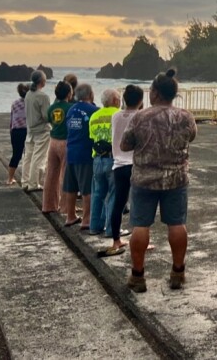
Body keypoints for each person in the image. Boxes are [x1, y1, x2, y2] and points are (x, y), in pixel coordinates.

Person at [122, 69, 197, 292]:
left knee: (140, 225)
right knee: (177, 224)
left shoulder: (140, 117)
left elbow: (125, 144)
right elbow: (191, 136)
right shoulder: (185, 117)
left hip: (144, 180)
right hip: (176, 179)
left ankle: (138, 276)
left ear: (154, 93)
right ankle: (178, 272)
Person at [99, 84, 143, 258]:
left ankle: (116, 240)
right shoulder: (140, 116)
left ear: (124, 99)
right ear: (140, 101)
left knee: (118, 203)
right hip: (136, 164)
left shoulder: (116, 116)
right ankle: (141, 240)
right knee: (140, 204)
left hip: (118, 165)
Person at [62, 84, 99, 229]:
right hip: (85, 152)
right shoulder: (94, 111)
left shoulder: (71, 109)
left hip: (71, 150)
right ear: (90, 94)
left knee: (71, 187)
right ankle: (86, 219)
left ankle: (70, 216)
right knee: (87, 188)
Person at [88, 89, 121, 237]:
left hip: (97, 159)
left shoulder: (94, 116)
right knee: (114, 195)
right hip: (113, 158)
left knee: (97, 194)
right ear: (115, 100)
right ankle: (111, 229)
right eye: (119, 98)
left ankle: (94, 226)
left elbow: (92, 136)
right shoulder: (118, 115)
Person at [42, 81, 72, 213]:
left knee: (51, 174)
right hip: (66, 142)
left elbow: (49, 120)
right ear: (69, 93)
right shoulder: (70, 108)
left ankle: (48, 205)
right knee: (65, 175)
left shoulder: (51, 108)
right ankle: (65, 206)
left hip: (53, 141)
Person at [21, 70, 51, 192]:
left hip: (30, 129)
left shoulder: (28, 94)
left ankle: (25, 181)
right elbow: (46, 116)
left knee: (28, 156)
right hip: (41, 130)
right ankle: (33, 183)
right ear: (42, 81)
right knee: (38, 157)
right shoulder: (43, 96)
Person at [6, 83, 28, 185]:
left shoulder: (14, 103)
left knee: (16, 155)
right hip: (27, 130)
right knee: (28, 156)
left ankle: (10, 178)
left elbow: (12, 117)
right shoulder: (30, 103)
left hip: (15, 131)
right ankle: (27, 178)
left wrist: (11, 129)